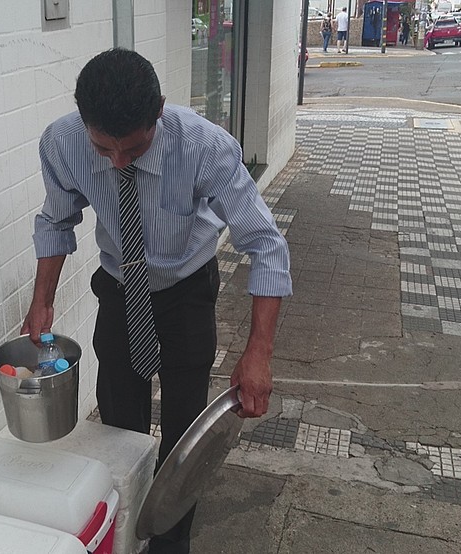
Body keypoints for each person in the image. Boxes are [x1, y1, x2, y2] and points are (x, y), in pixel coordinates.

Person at [24, 48, 292, 554]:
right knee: (118, 427)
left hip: (185, 292)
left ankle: (170, 541)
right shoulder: (62, 143)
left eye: (134, 148)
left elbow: (266, 245)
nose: (118, 162)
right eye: (104, 149)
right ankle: (122, 534)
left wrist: (259, 352)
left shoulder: (204, 147)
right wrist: (42, 301)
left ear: (160, 112)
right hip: (118, 289)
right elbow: (56, 220)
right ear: (84, 122)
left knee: (184, 432)